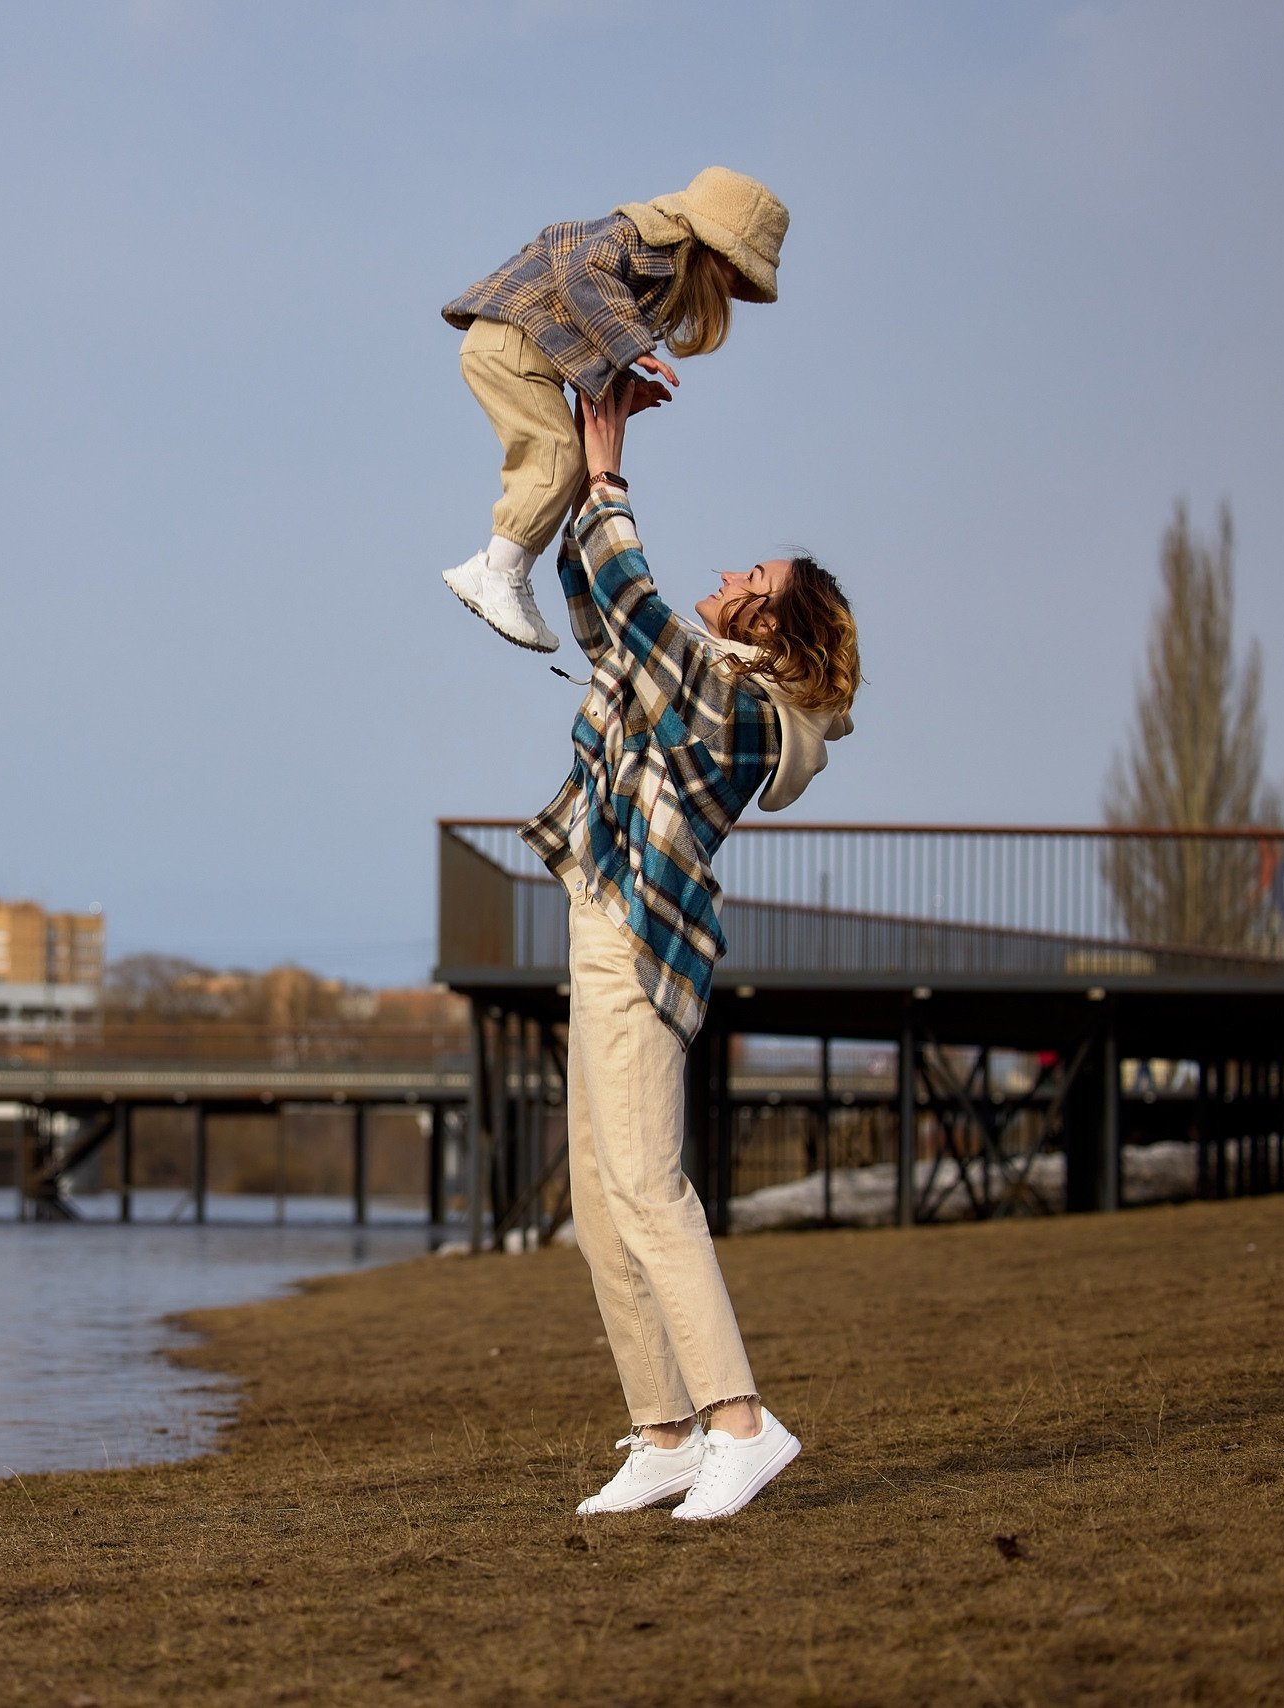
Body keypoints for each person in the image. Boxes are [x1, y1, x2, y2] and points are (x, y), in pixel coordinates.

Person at [526, 378, 860, 1521]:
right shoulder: (689, 672)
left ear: (771, 627)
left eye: (749, 585)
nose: (726, 582)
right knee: (599, 1194)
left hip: (642, 939)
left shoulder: (748, 715)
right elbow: (598, 598)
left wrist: (612, 476)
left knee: (649, 1185)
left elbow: (642, 609)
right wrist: (579, 458)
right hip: (597, 912)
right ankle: (664, 1432)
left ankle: (739, 1421)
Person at [440, 166, 788, 653]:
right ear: (716, 246)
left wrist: (622, 382)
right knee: (556, 454)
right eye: (739, 270)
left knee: (571, 462)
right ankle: (494, 571)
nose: (735, 287)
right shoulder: (644, 239)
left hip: (529, 347)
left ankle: (511, 573)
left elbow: (589, 326)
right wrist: (629, 345)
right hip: (510, 340)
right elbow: (583, 275)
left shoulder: (663, 272)